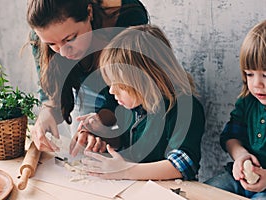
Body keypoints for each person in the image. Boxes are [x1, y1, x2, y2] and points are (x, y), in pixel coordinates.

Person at [80, 24, 205, 180]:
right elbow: (125, 144)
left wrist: (125, 171)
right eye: (110, 83)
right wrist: (103, 132)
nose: (112, 91)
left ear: (147, 79)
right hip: (134, 185)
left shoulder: (184, 109)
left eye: (120, 85)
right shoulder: (130, 106)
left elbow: (182, 166)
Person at [26, 0, 149, 152]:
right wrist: (47, 112)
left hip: (125, 92)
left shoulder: (128, 17)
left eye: (70, 39)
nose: (63, 53)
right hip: (83, 86)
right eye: (52, 44)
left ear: (89, 12)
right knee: (84, 151)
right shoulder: (41, 29)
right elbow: (48, 88)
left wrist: (101, 125)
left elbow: (130, 96)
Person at [205, 20, 266, 199]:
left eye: (265, 75)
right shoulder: (248, 102)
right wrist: (241, 155)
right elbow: (231, 136)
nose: (256, 84)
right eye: (249, 74)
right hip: (240, 179)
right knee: (204, 193)